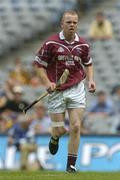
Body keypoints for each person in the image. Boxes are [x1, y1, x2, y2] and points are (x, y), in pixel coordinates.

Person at [33, 10, 96, 172]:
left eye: (75, 22)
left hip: (76, 88)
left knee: (75, 126)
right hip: (57, 91)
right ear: (62, 24)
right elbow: (39, 65)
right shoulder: (51, 43)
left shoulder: (83, 44)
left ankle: (71, 166)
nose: (72, 25)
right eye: (69, 22)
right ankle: (55, 137)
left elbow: (88, 63)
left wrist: (90, 80)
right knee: (60, 130)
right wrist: (47, 82)